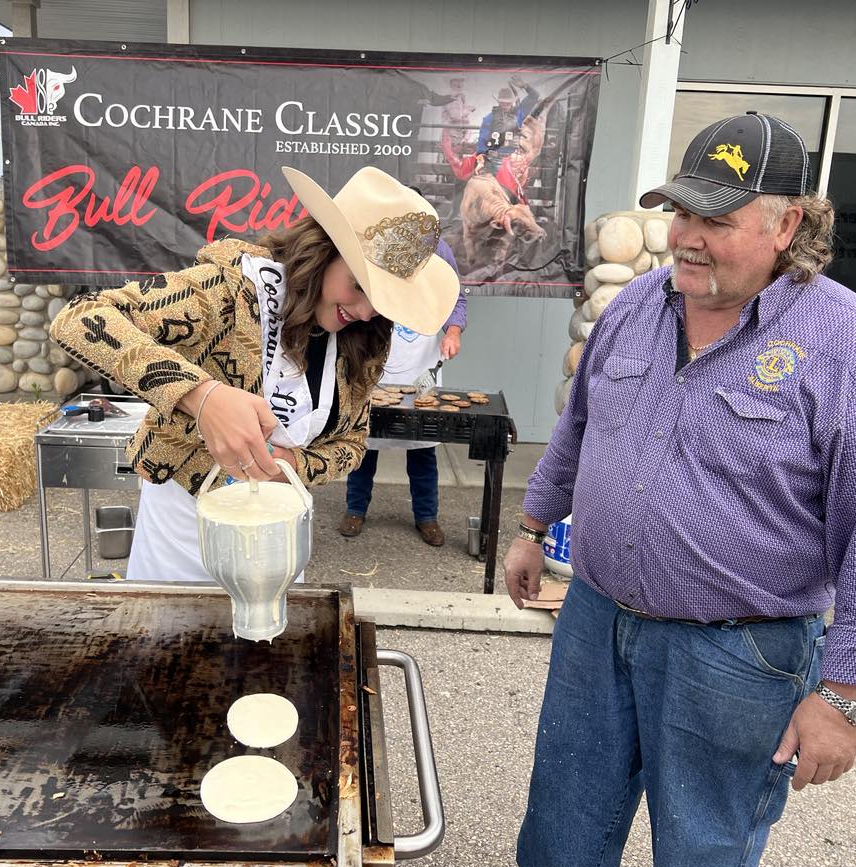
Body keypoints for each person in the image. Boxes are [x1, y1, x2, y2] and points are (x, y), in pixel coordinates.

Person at [505, 112, 856, 867]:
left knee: (704, 852)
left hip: (739, 652)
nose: (686, 236)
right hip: (595, 623)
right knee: (561, 832)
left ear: (787, 224)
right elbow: (579, 426)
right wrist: (533, 523)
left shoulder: (850, 346)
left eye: (717, 219)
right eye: (681, 212)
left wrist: (843, 697)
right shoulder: (638, 306)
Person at [50, 166, 459, 582]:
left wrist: (292, 463)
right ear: (322, 250)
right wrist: (202, 396)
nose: (365, 312)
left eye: (382, 302)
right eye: (359, 286)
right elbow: (82, 319)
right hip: (182, 535)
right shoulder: (229, 291)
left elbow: (352, 445)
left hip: (277, 539)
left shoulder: (365, 336)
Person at [339, 234, 466, 546]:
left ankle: (427, 516)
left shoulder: (439, 251)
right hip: (378, 354)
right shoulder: (376, 246)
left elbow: (455, 298)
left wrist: (452, 331)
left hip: (421, 358)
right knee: (364, 442)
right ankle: (355, 509)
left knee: (422, 448)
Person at [475, 75, 538, 178]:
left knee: (511, 191)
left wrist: (525, 86)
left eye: (508, 103)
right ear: (499, 102)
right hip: (493, 160)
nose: (505, 105)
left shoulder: (519, 114)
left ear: (512, 102)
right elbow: (482, 141)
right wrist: (481, 159)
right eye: (503, 103)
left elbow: (534, 96)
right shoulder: (489, 118)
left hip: (513, 160)